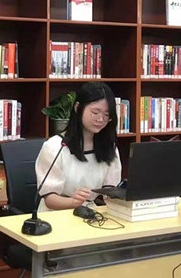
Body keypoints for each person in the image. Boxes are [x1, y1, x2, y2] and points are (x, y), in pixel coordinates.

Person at [36, 82, 122, 212]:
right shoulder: (55, 147)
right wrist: (73, 202)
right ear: (78, 108)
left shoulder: (109, 147)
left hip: (88, 212)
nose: (100, 119)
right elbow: (49, 199)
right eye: (95, 112)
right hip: (56, 214)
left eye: (106, 115)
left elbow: (110, 191)